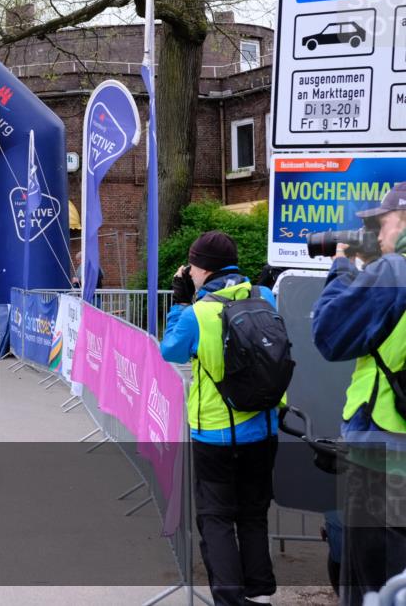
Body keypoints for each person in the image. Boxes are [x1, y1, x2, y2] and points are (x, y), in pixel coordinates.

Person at [159, 231, 281, 606]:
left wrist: (180, 302)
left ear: (204, 268)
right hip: (264, 427)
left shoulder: (198, 312)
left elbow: (170, 351)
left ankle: (229, 599)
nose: (190, 273)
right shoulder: (265, 296)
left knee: (215, 518)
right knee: (253, 515)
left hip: (215, 432)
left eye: (193, 267)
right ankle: (260, 595)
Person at [311, 181, 406, 605]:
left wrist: (342, 269)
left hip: (386, 455)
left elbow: (330, 334)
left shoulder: (396, 272)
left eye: (380, 223)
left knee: (374, 583)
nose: (378, 234)